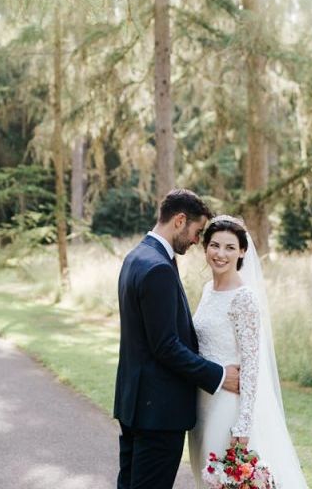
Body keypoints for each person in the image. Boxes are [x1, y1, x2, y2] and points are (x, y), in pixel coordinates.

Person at [114, 190, 241, 489]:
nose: (197, 240)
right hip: (158, 412)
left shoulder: (136, 256)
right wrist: (219, 375)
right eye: (197, 231)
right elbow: (165, 346)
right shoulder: (159, 267)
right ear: (180, 220)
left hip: (134, 403)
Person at [188, 215, 308, 489]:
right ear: (205, 247)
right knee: (205, 477)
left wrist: (243, 424)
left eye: (230, 247)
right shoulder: (207, 290)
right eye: (215, 245)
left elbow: (252, 364)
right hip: (202, 402)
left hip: (227, 406)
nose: (220, 254)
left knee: (223, 479)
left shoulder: (244, 298)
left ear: (242, 251)